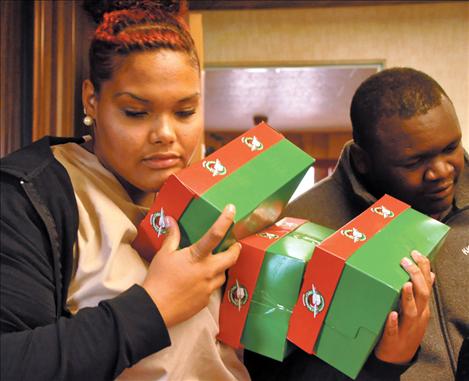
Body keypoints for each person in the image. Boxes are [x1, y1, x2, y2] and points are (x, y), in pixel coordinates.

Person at [0, 1, 250, 380]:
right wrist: (155, 305)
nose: (166, 135)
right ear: (92, 100)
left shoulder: (211, 195)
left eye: (185, 112)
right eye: (136, 112)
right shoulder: (29, 196)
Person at [245, 67, 468, 380]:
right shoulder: (303, 227)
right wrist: (382, 362)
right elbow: (273, 371)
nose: (442, 172)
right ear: (364, 161)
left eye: (450, 148)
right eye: (414, 163)